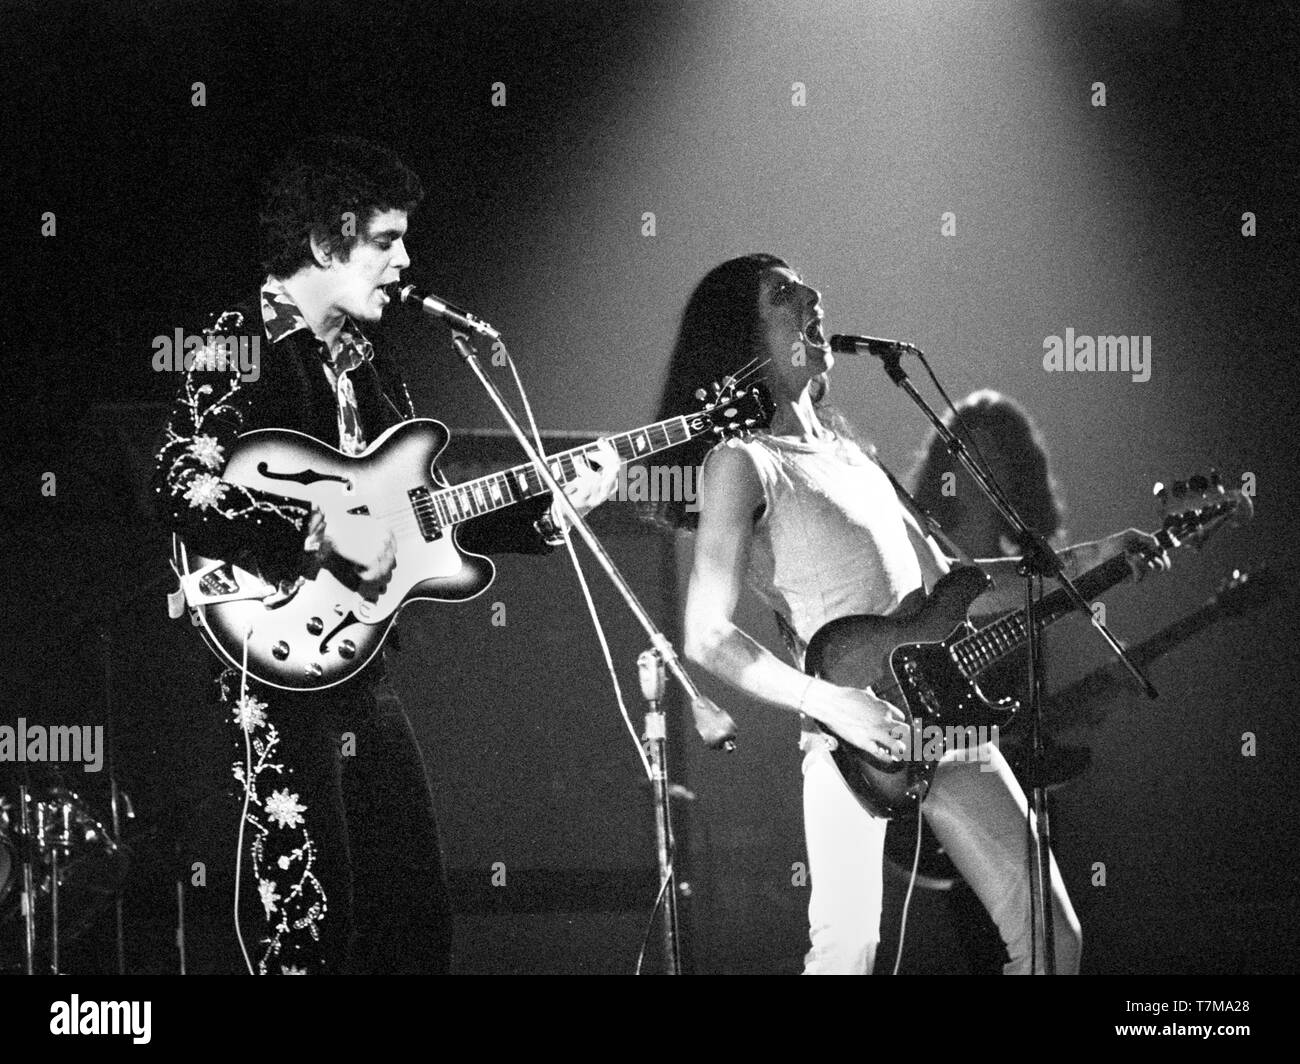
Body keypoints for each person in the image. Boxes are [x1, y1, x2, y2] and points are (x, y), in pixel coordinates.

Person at [151, 136, 617, 974]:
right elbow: (178, 481)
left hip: (360, 666)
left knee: (415, 923)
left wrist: (547, 512)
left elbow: (421, 523)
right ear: (329, 243)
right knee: (311, 924)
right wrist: (312, 530)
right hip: (271, 662)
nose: (405, 262)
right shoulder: (235, 340)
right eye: (386, 240)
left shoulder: (370, 367)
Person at [657, 253, 1163, 974]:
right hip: (849, 736)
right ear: (746, 337)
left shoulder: (855, 457)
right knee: (846, 955)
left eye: (805, 284)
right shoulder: (743, 462)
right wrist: (832, 703)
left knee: (1052, 942)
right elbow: (705, 635)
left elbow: (956, 592)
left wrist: (1084, 560)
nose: (813, 294)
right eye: (783, 292)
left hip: (948, 717)